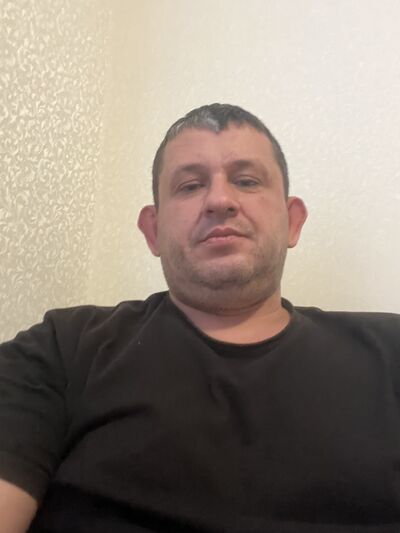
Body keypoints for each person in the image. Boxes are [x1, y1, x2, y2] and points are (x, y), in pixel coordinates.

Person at [0, 103, 399, 533]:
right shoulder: (61, 350)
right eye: (190, 186)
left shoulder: (390, 353)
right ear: (153, 230)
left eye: (247, 181)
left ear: (292, 222)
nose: (220, 201)